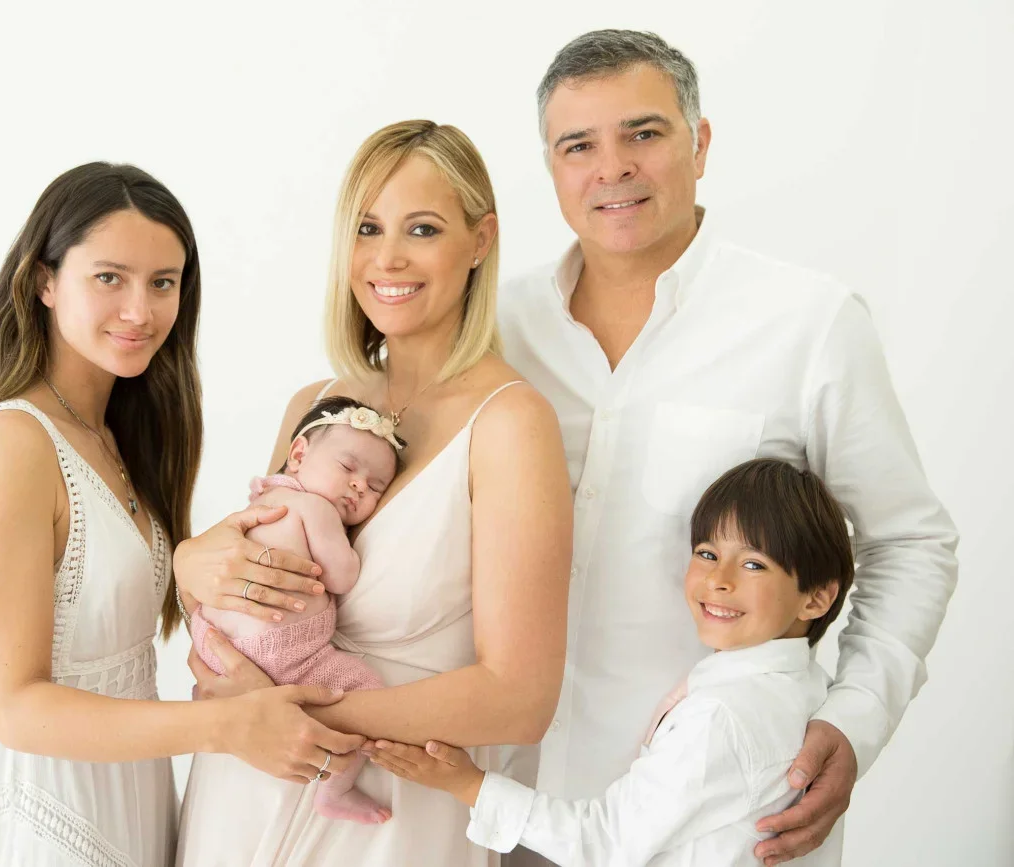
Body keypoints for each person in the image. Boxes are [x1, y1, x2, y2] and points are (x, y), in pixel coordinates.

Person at [495, 30, 959, 865]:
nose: (612, 168)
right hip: (508, 805)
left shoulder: (808, 322)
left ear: (700, 143)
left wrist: (855, 717)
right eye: (578, 145)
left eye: (643, 133)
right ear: (552, 167)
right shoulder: (496, 327)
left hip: (720, 827)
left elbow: (909, 541)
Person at [0, 162, 366, 866]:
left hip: (137, 800)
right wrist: (225, 725)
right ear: (44, 280)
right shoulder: (10, 439)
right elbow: (14, 707)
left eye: (163, 282)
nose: (139, 311)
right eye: (109, 277)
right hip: (48, 812)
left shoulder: (121, 435)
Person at [172, 120, 573, 865]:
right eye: (367, 228)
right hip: (243, 789)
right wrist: (189, 562)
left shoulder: (511, 424)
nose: (387, 258)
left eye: (422, 229)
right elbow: (243, 591)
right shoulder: (313, 405)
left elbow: (521, 701)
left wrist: (294, 715)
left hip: (388, 816)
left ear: (480, 240)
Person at [367, 458, 855, 865]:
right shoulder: (810, 688)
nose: (719, 580)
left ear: (816, 598)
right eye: (707, 553)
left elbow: (606, 842)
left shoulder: (720, 717)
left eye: (753, 564)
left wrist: (468, 784)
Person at [189, 396, 405, 824]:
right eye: (348, 468)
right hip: (280, 651)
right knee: (366, 689)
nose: (359, 486)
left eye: (376, 486)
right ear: (299, 455)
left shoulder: (260, 501)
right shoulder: (315, 508)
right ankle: (336, 791)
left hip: (211, 641)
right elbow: (342, 576)